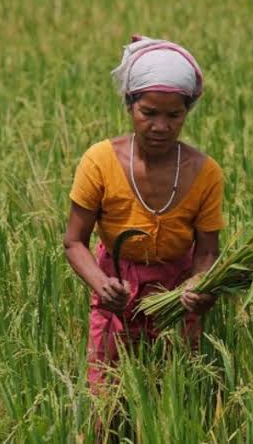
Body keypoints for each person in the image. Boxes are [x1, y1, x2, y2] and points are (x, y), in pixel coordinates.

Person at [63, 36, 225, 389]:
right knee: (107, 399)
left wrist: (199, 284)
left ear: (187, 112)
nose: (161, 126)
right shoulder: (99, 161)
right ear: (129, 106)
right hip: (116, 294)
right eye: (148, 113)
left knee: (176, 393)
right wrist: (102, 285)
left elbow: (208, 249)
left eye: (174, 115)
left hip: (176, 300)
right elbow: (74, 241)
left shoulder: (205, 172)